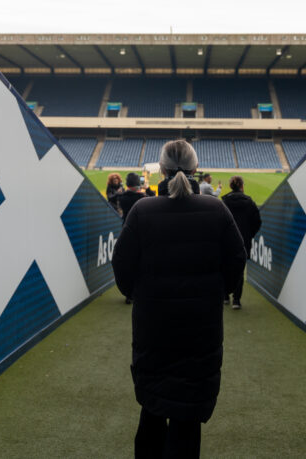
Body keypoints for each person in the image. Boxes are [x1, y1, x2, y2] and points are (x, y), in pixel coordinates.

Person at [112, 140, 246, 458]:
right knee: (188, 422)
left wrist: (139, 294)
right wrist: (216, 293)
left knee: (152, 411)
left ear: (162, 170)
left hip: (152, 328)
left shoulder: (142, 211)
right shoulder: (217, 210)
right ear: (195, 169)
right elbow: (237, 260)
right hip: (202, 329)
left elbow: (122, 265)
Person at [220, 176, 261, 310]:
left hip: (225, 241)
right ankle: (236, 300)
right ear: (242, 186)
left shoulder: (224, 201)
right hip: (243, 240)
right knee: (240, 269)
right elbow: (257, 221)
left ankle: (225, 296)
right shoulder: (249, 202)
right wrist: (249, 234)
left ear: (231, 186)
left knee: (225, 267)